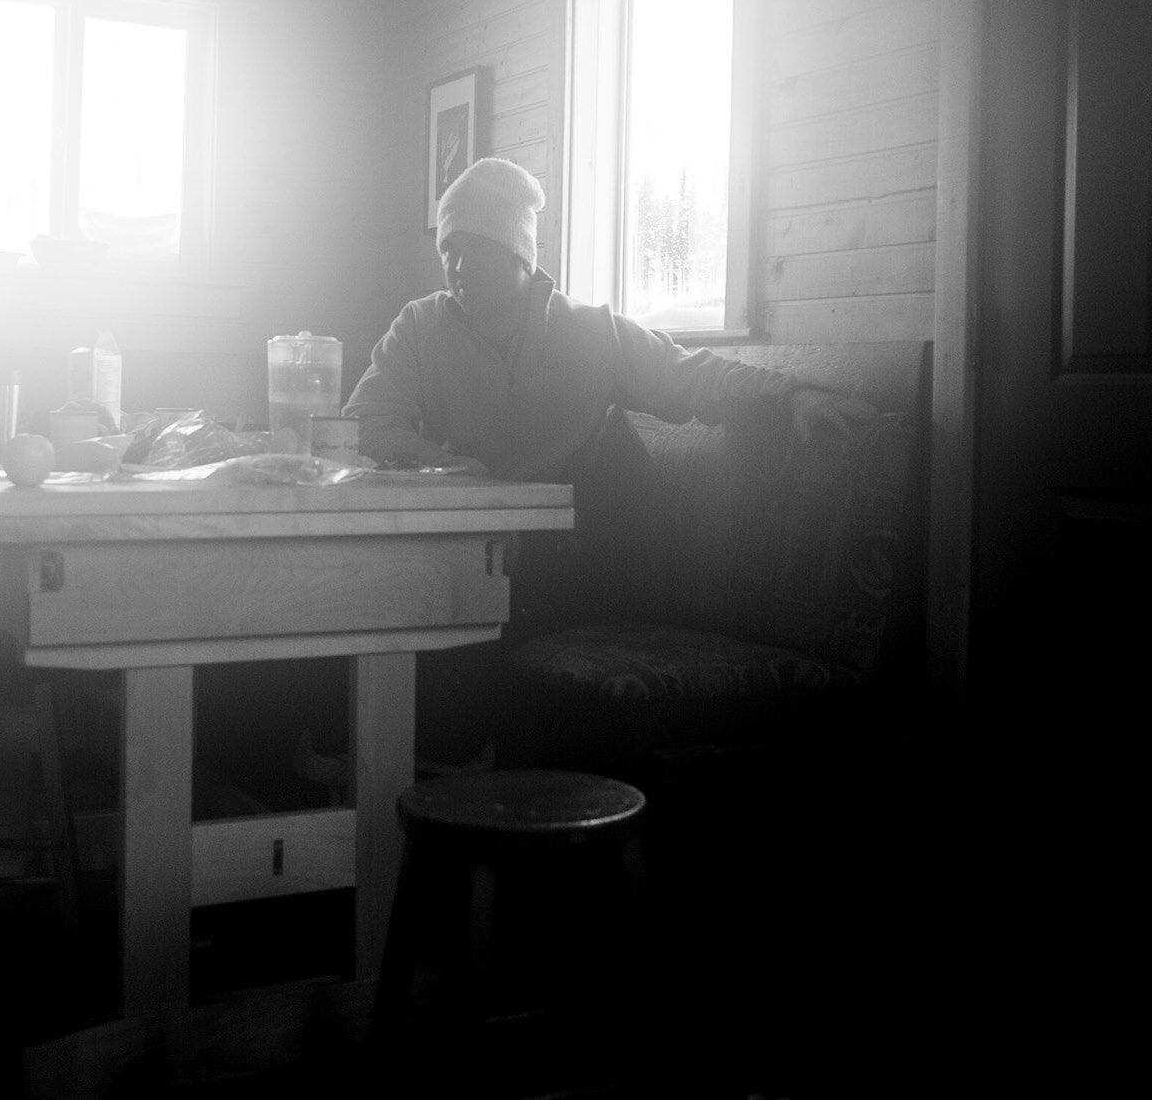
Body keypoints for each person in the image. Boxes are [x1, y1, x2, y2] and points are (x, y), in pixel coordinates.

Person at [329, 157, 874, 766]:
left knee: (453, 610)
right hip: (478, 547)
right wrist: (466, 478)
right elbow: (364, 424)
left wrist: (788, 393)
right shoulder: (420, 327)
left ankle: (437, 764)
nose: (457, 265)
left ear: (520, 253)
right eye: (448, 247)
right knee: (377, 594)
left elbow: (687, 375)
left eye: (476, 246)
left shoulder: (591, 331)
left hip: (588, 561)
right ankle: (388, 757)